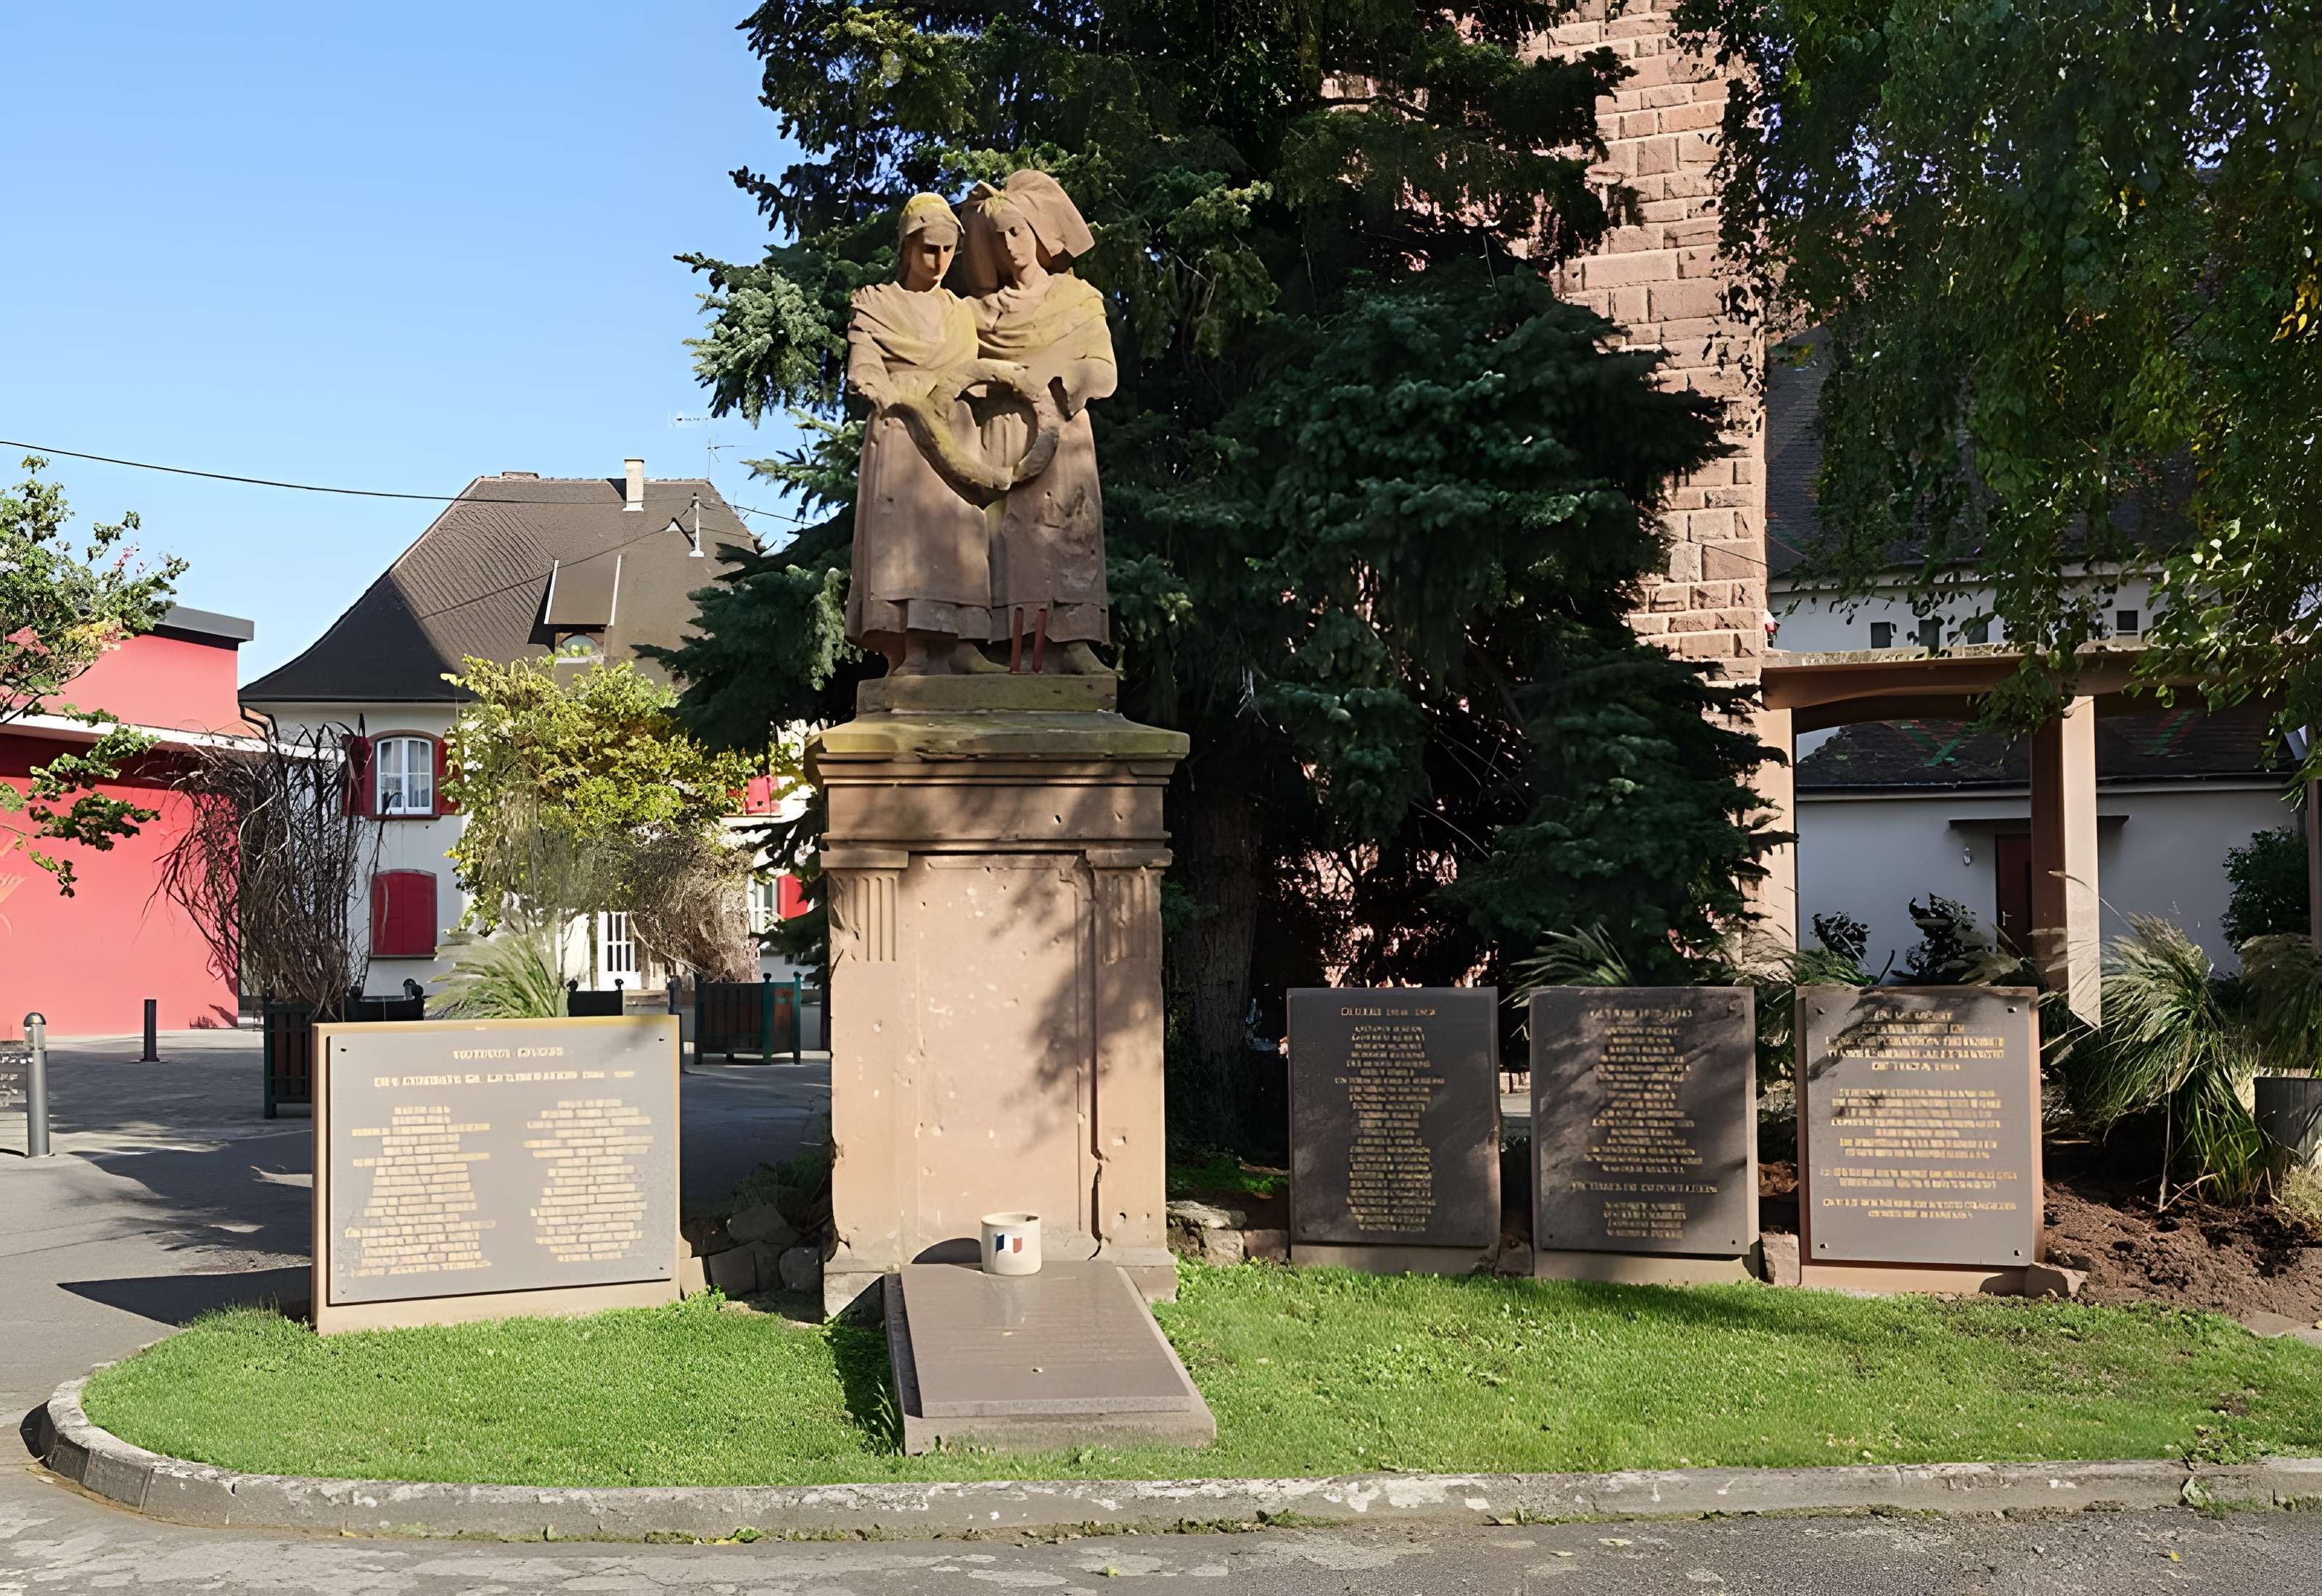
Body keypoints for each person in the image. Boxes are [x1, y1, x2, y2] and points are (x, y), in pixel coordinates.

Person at [961, 171, 1117, 675]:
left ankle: (1074, 643)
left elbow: (1104, 370)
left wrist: (1065, 379)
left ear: (1038, 232)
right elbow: (957, 375)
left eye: (1017, 231)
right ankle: (1004, 646)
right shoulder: (978, 313)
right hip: (1003, 436)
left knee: (1070, 534)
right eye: (999, 236)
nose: (1010, 245)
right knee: (1007, 541)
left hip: (1065, 438)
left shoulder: (1079, 299)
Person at [845, 192, 1006, 675]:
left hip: (955, 429)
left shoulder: (961, 312)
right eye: (928, 250)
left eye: (948, 250)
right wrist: (888, 394)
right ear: (908, 248)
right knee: (910, 541)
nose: (938, 261)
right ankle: (913, 647)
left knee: (962, 535)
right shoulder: (877, 304)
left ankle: (964, 644)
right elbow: (863, 368)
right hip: (903, 431)